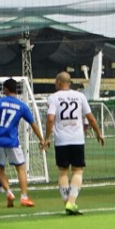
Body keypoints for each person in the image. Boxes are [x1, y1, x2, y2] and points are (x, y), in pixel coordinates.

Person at [43, 72, 105, 216]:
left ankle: (68, 203)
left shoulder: (53, 98)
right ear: (69, 83)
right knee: (77, 171)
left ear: (58, 82)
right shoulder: (80, 96)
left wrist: (47, 138)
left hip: (61, 140)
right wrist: (98, 133)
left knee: (63, 171)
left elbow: (50, 119)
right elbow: (90, 117)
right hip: (77, 139)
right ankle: (71, 202)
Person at [0, 78, 45, 208]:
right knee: (20, 168)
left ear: (6, 89)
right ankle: (24, 196)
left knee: (0, 169)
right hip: (12, 141)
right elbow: (33, 124)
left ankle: (8, 192)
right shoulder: (22, 106)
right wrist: (41, 139)